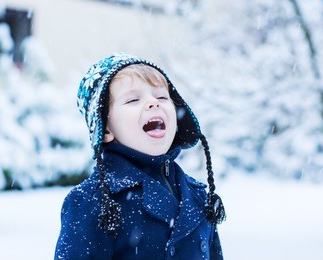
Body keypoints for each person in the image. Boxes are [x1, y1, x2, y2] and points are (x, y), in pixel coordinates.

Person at [55, 52, 226, 259]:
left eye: (162, 96)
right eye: (133, 99)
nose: (153, 103)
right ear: (106, 128)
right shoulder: (93, 202)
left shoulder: (198, 196)